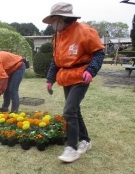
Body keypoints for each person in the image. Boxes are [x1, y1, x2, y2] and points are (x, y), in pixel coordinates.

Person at [43, 2, 105, 163]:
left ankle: (72, 148)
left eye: (54, 20)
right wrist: (50, 79)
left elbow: (99, 52)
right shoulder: (58, 37)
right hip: (66, 77)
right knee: (75, 111)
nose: (53, 24)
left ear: (64, 18)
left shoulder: (85, 31)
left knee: (69, 111)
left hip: (81, 76)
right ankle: (85, 140)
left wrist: (90, 70)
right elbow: (55, 61)